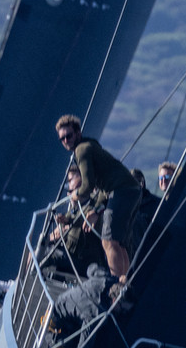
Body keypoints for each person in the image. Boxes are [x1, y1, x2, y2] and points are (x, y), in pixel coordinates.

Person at [55, 113, 141, 282]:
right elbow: (101, 187)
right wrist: (96, 209)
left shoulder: (82, 150)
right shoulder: (90, 145)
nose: (66, 141)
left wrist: (75, 195)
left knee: (108, 242)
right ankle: (124, 282)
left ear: (78, 133)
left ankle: (115, 286)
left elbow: (87, 186)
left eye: (69, 136)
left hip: (121, 191)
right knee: (118, 243)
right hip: (130, 191)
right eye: (62, 139)